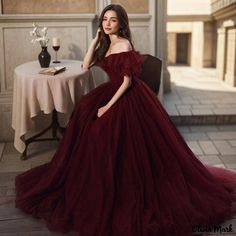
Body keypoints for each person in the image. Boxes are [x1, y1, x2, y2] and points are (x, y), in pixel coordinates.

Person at [15, 4, 236, 236]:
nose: (108, 24)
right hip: (110, 90)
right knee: (84, 117)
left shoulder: (123, 44)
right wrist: (94, 41)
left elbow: (127, 82)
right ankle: (95, 182)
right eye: (105, 20)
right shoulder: (106, 42)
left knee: (105, 132)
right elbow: (85, 65)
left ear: (121, 23)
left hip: (126, 95)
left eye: (113, 20)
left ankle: (119, 186)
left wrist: (107, 107)